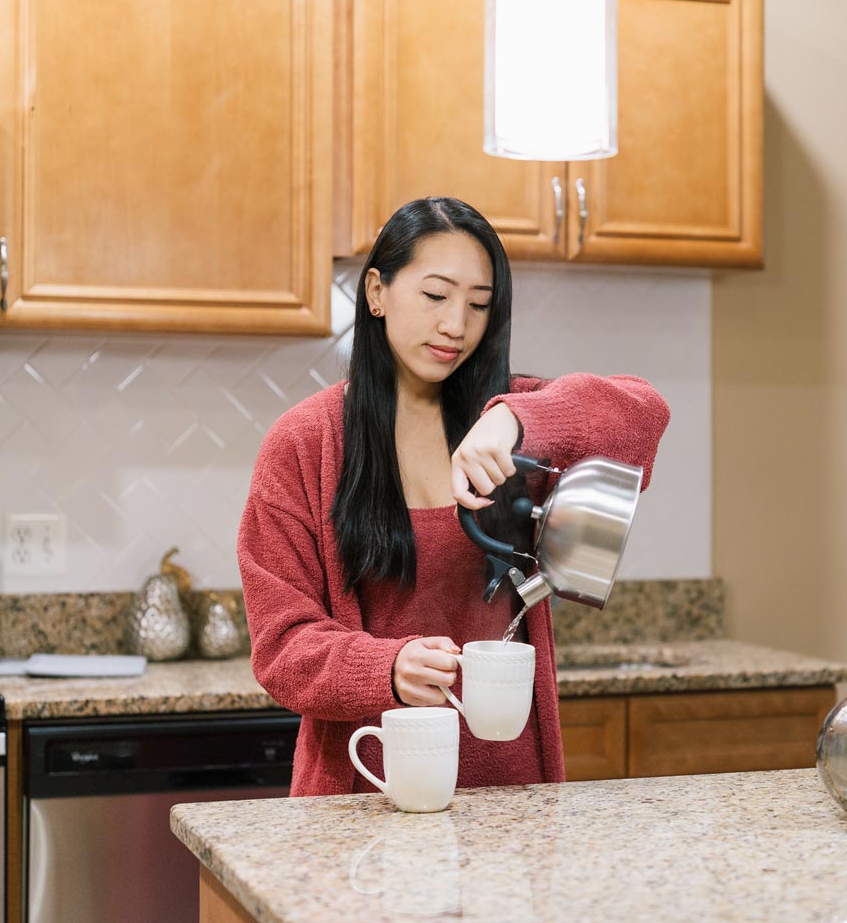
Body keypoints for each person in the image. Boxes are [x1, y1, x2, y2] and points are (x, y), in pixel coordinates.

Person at [239, 197, 670, 796]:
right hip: (364, 789)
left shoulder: (515, 420)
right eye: (436, 296)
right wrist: (385, 668)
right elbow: (282, 647)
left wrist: (516, 420)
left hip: (511, 792)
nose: (456, 326)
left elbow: (643, 411)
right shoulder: (304, 443)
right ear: (377, 292)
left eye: (478, 306)